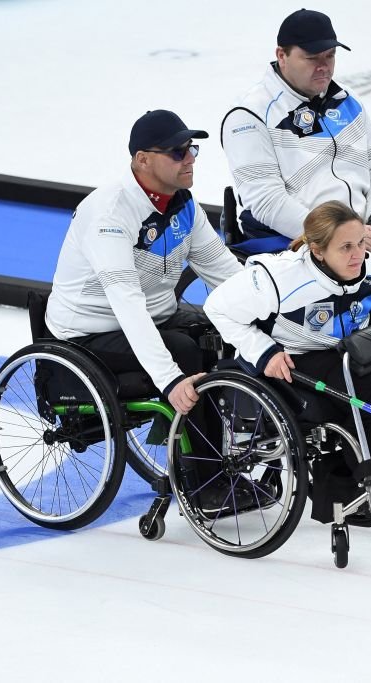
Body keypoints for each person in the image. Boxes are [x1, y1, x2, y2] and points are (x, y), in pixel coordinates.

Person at [220, 8, 371, 393]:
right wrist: (343, 238)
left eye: (329, 56)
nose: (324, 67)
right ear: (281, 55)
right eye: (312, 58)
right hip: (295, 240)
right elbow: (266, 202)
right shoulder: (249, 116)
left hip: (358, 231)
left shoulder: (346, 103)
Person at [44, 109, 251, 510]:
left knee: (218, 334)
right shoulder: (109, 215)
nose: (189, 157)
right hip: (89, 329)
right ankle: (206, 483)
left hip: (157, 313)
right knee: (184, 354)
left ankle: (222, 452)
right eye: (177, 152)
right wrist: (171, 381)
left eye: (192, 149)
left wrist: (281, 312)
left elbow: (226, 273)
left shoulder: (182, 206)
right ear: (142, 160)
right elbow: (127, 306)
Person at [204, 200, 371, 521]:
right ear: (318, 251)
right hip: (299, 355)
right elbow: (217, 308)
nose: (357, 254)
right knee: (370, 397)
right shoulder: (280, 279)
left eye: (361, 242)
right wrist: (263, 352)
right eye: (346, 247)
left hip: (355, 348)